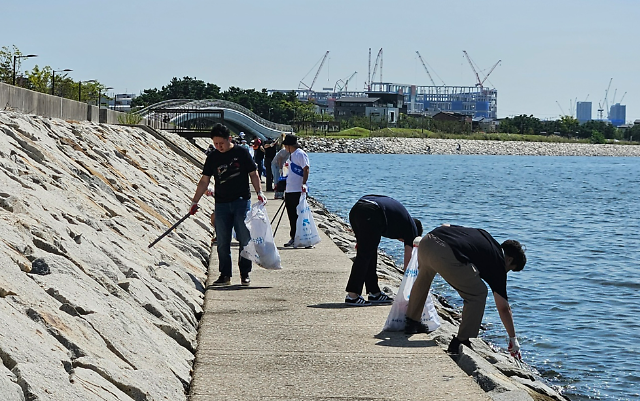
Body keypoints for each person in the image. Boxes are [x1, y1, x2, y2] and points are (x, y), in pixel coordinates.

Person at [404, 224, 526, 359]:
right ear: (509, 259)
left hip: (428, 241)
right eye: (510, 269)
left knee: (424, 278)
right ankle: (461, 341)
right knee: (478, 294)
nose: (506, 272)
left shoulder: (485, 235)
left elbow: (447, 225)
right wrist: (513, 338)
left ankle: (411, 322)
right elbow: (503, 308)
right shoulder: (498, 262)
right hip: (443, 251)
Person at [189, 123, 267, 286]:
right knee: (222, 240)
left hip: (241, 201)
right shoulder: (213, 157)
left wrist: (259, 192)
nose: (219, 147)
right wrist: (195, 201)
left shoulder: (242, 152)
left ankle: (245, 273)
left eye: (221, 143)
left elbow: (253, 173)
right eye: (215, 144)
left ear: (229, 139)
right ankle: (225, 274)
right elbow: (205, 181)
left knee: (244, 238)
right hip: (222, 204)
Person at [345, 195, 423, 306]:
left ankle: (375, 293)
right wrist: (409, 287)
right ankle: (352, 296)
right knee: (365, 255)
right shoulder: (412, 230)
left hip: (357, 209)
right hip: (372, 212)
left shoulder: (398, 220)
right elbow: (409, 263)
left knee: (369, 252)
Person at [281, 134, 309, 247]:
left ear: (289, 145)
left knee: (299, 216)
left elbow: (306, 169)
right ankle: (294, 237)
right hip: (289, 190)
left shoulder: (300, 154)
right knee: (291, 215)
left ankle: (304, 238)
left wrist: (304, 183)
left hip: (298, 190)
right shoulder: (291, 155)